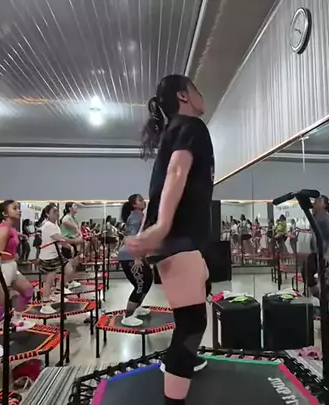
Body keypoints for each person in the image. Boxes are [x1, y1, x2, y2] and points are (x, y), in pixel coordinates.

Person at [126, 74, 212, 405]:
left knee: (201, 287)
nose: (202, 96)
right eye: (197, 89)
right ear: (183, 96)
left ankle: (183, 361)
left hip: (179, 239)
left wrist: (146, 235)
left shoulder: (173, 132)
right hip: (179, 237)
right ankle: (174, 392)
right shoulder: (191, 126)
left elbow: (158, 189)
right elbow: (176, 173)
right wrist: (161, 227)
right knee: (192, 324)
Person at [0, 200, 35, 358]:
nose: (19, 210)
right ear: (5, 213)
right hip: (0, 268)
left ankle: (17, 320)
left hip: (11, 266)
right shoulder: (3, 229)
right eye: (15, 208)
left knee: (28, 291)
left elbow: (10, 245)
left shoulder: (11, 228)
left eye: (18, 208)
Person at [35, 204, 84, 315]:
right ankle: (45, 304)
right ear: (47, 214)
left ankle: (56, 293)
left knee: (69, 270)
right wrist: (74, 243)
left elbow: (61, 240)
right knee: (49, 280)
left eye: (57, 211)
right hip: (49, 256)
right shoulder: (48, 225)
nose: (57, 213)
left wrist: (69, 246)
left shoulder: (55, 225)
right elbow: (61, 239)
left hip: (57, 254)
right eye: (54, 211)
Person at [118, 194, 155, 326]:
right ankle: (127, 316)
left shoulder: (139, 215)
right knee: (140, 285)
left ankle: (137, 308)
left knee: (148, 280)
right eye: (140, 200)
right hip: (131, 255)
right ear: (134, 205)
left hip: (136, 254)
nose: (143, 201)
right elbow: (132, 238)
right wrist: (137, 257)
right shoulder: (136, 217)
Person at [302, 195, 329, 315]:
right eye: (315, 201)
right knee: (306, 271)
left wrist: (328, 253)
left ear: (324, 204)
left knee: (324, 280)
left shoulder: (327, 218)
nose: (315, 202)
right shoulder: (315, 216)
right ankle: (317, 297)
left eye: (318, 201)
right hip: (317, 252)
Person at [59, 203, 82, 290]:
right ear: (69, 208)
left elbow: (78, 230)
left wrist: (79, 234)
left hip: (74, 242)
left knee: (74, 263)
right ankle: (64, 285)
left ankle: (71, 281)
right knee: (69, 266)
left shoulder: (74, 218)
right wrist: (75, 227)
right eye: (74, 206)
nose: (76, 207)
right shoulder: (67, 217)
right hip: (68, 243)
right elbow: (64, 222)